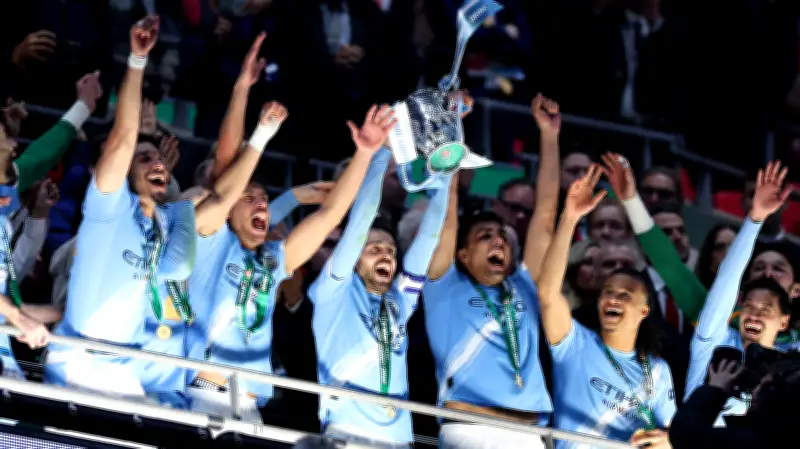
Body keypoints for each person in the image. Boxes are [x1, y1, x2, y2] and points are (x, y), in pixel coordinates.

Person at [183, 95, 397, 421]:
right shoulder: (209, 241)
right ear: (227, 210)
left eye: (264, 199)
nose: (261, 204)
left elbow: (329, 215)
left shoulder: (273, 260)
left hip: (251, 406)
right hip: (203, 395)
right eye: (249, 197)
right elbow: (221, 187)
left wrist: (365, 153)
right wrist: (259, 132)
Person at [44, 15, 197, 404]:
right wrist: (137, 61)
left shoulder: (159, 223)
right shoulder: (108, 206)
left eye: (158, 159)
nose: (156, 162)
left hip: (126, 367)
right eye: (143, 159)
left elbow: (179, 265)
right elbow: (124, 137)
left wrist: (167, 185)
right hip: (78, 360)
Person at [420, 94, 561, 448]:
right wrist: (455, 126)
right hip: (470, 432)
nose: (499, 241)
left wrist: (548, 135)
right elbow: (445, 214)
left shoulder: (524, 286)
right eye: (485, 236)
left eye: (502, 236)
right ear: (464, 256)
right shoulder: (443, 286)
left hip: (530, 436)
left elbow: (545, 217)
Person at [308, 146, 452, 447]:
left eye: (390, 251)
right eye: (374, 249)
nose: (386, 255)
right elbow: (358, 225)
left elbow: (428, 240)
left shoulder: (400, 302)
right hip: (347, 433)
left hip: (398, 440)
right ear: (354, 258)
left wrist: (446, 174)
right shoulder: (333, 293)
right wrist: (382, 152)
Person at [538, 164, 676, 449]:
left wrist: (666, 440)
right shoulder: (574, 344)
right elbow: (548, 294)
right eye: (608, 293)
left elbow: (668, 436)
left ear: (644, 310)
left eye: (625, 295)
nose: (612, 299)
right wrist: (569, 218)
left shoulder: (658, 370)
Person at [682, 161, 791, 426]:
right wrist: (755, 219)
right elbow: (726, 281)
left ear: (784, 322)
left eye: (765, 310)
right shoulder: (713, 344)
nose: (754, 315)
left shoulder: (787, 371)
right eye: (749, 307)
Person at [0, 128, 50, 378]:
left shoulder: (3, 224)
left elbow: (11, 304)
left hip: (7, 368)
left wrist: (65, 312)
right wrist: (20, 319)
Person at [669, 357, 800, 449]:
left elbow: (685, 434)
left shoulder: (758, 440)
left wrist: (716, 389)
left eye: (764, 387)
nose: (754, 391)